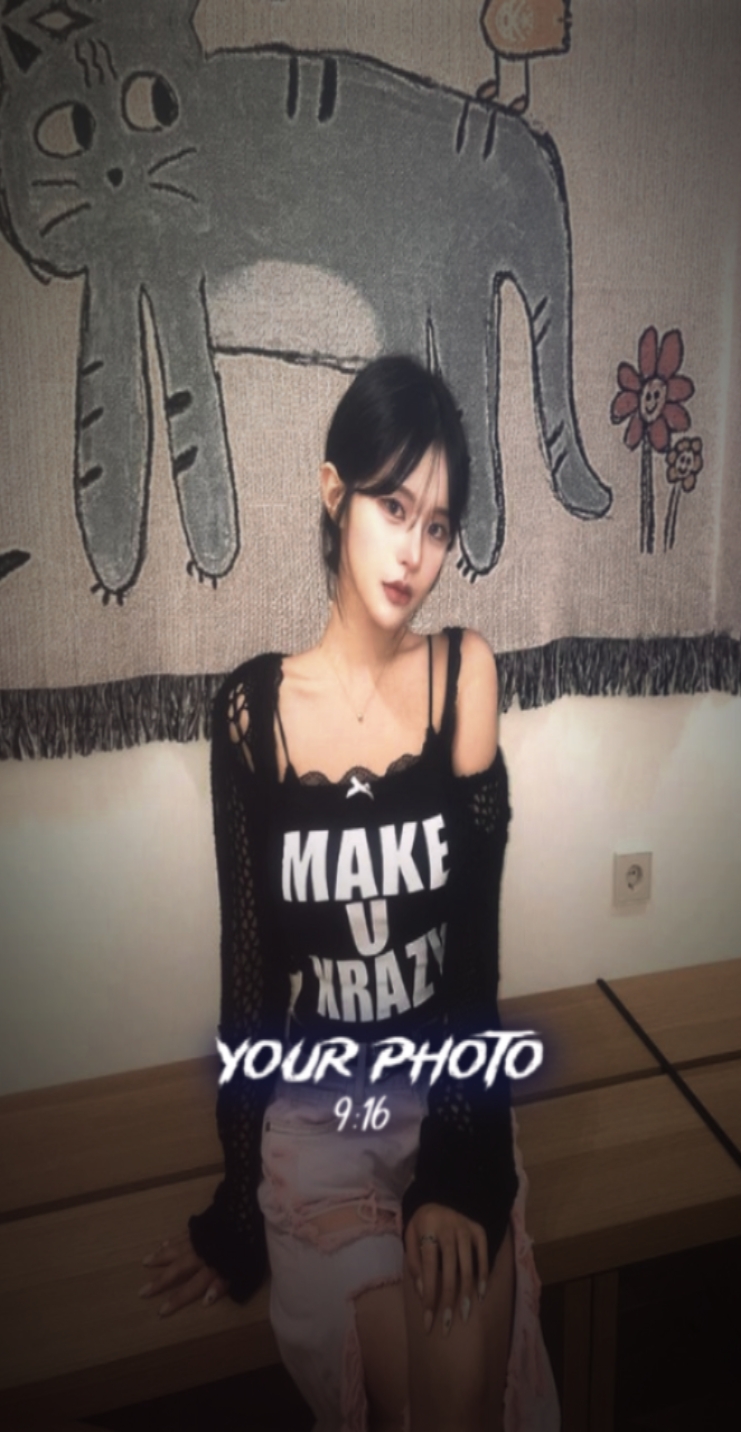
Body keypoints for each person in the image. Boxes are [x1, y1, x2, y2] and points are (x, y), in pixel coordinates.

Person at [139, 356, 559, 1431]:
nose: (415, 551)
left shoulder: (464, 674)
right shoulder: (251, 714)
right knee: (415, 1402)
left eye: (438, 523)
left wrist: (457, 1166)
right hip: (320, 1124)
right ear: (335, 494)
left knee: (459, 1404)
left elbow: (472, 957)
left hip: (449, 1100)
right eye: (392, 506)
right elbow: (249, 977)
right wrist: (236, 1204)